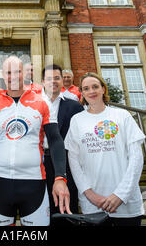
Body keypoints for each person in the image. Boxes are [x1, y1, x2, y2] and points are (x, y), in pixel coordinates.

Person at [0, 56, 71, 226]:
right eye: (9, 73)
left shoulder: (42, 102)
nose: (13, 76)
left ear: (24, 73)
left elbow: (55, 140)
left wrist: (61, 177)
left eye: (17, 71)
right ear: (3, 75)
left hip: (34, 182)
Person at [65, 72, 145, 226]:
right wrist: (89, 194)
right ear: (81, 93)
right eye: (86, 88)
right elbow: (73, 161)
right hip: (93, 204)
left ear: (103, 89)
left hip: (126, 204)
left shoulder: (122, 115)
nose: (91, 91)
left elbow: (136, 158)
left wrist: (120, 195)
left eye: (95, 86)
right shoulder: (77, 120)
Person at [41, 64, 84, 220]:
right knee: (42, 208)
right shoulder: (32, 105)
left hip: (65, 162)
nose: (54, 81)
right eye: (49, 78)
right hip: (38, 162)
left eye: (57, 78)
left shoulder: (74, 106)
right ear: (42, 81)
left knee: (67, 208)